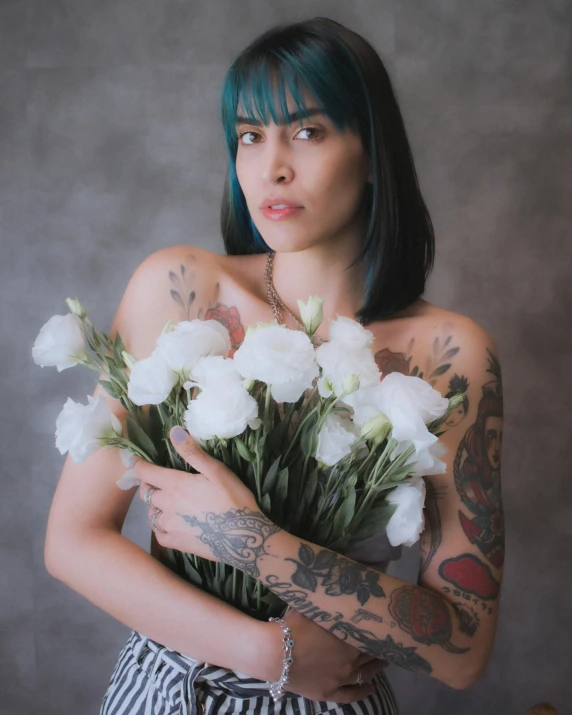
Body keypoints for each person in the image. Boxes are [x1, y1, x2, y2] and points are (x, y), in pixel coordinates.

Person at [44, 16, 505, 715]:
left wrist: (255, 542)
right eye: (250, 136)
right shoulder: (181, 290)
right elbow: (73, 540)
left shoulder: (448, 354)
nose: (272, 166)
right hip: (170, 691)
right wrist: (269, 652)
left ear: (373, 151)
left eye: (308, 132)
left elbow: (465, 647)